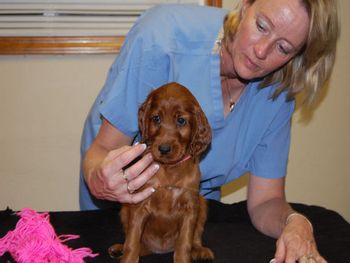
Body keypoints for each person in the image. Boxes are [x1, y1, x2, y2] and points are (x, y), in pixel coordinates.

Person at [79, 0, 339, 262]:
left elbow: (265, 202)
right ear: (245, 6)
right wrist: (99, 177)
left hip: (185, 205)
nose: (261, 51)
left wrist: (294, 222)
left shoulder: (278, 95)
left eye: (283, 47)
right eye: (261, 26)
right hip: (122, 198)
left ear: (298, 56)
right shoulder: (162, 36)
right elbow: (101, 151)